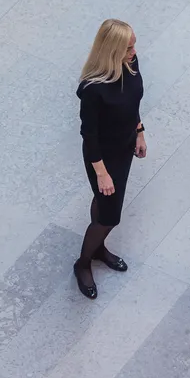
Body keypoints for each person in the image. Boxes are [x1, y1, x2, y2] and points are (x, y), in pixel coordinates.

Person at [74, 18, 147, 299]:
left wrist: (139, 132)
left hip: (124, 147)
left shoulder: (130, 63)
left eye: (133, 46)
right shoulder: (93, 89)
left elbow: (133, 102)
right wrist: (102, 174)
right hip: (102, 158)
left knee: (104, 205)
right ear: (112, 50)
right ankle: (82, 263)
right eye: (128, 48)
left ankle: (98, 249)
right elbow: (89, 135)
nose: (134, 52)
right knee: (110, 216)